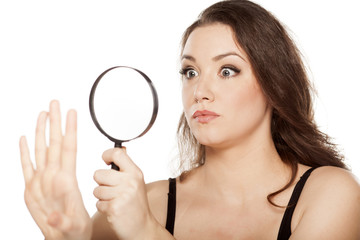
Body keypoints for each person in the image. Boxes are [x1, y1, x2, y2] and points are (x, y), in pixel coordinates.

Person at [19, 0, 360, 239]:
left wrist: (145, 232)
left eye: (228, 70)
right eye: (190, 71)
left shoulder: (330, 195)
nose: (200, 90)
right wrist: (72, 238)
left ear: (275, 85)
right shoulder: (145, 202)